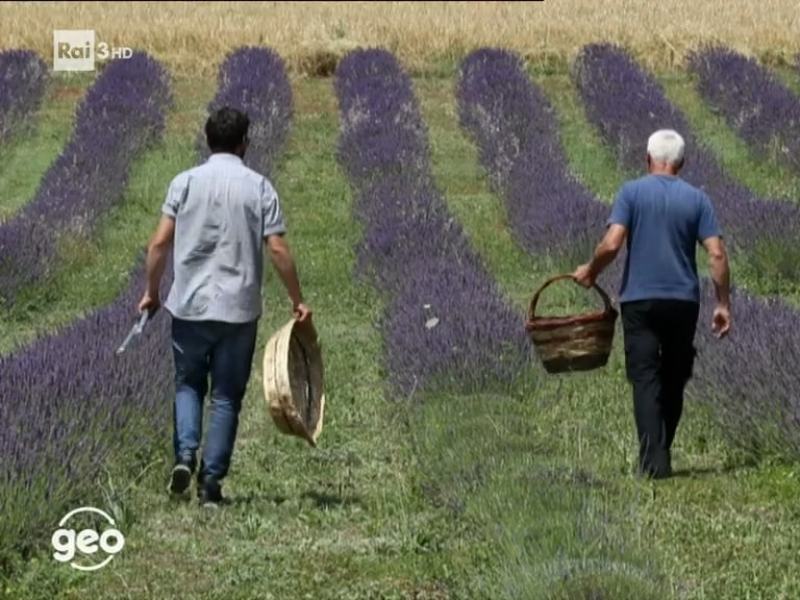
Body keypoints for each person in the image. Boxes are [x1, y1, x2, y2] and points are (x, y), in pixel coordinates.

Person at [138, 106, 311, 506]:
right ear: (244, 143)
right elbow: (278, 248)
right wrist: (297, 299)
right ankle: (210, 484)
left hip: (190, 307)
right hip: (238, 310)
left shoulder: (184, 182)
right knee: (226, 397)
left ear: (207, 140)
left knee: (188, 384)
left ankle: (184, 455)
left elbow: (159, 243)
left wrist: (152, 290)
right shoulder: (259, 187)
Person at [572, 129, 731, 479]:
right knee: (674, 377)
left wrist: (591, 271)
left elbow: (612, 244)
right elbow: (716, 253)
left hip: (639, 301)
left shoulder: (631, 192)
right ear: (682, 163)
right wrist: (722, 304)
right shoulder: (698, 200)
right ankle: (660, 451)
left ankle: (654, 460)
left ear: (647, 159)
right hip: (682, 301)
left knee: (645, 378)